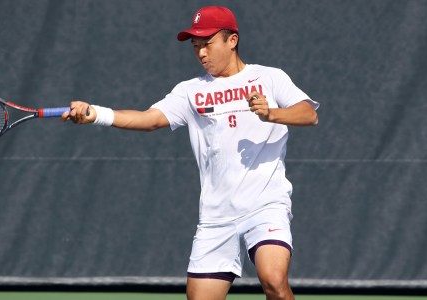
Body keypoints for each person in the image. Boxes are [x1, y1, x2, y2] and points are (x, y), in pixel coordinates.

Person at [62, 6, 318, 300]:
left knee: (273, 281)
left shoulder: (270, 78)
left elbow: (308, 114)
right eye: (196, 47)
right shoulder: (190, 91)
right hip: (215, 217)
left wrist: (271, 113)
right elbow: (149, 119)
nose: (201, 54)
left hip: (265, 206)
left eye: (207, 44)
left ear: (231, 40)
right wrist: (96, 113)